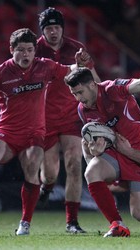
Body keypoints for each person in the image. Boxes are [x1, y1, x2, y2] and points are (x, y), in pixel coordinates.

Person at [0, 28, 94, 235]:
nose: (25, 55)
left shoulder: (45, 67)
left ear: (35, 51)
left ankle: (25, 222)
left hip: (34, 133)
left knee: (32, 166)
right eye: (20, 50)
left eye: (29, 50)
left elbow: (70, 70)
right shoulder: (0, 72)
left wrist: (80, 63)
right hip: (7, 131)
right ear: (11, 50)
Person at [64, 66, 140, 237]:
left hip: (139, 151)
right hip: (115, 152)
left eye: (80, 92)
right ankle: (117, 225)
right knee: (92, 171)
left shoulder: (112, 90)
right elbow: (89, 147)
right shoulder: (83, 109)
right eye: (74, 94)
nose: (78, 98)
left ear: (92, 85)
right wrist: (95, 153)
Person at [35, 7, 101, 234]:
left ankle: (71, 222)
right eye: (48, 28)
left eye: (56, 27)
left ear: (62, 28)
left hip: (72, 116)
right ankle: (47, 185)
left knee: (74, 164)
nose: (53, 32)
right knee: (51, 172)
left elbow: (94, 80)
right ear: (42, 30)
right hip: (44, 118)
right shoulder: (33, 49)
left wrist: (100, 101)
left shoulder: (76, 49)